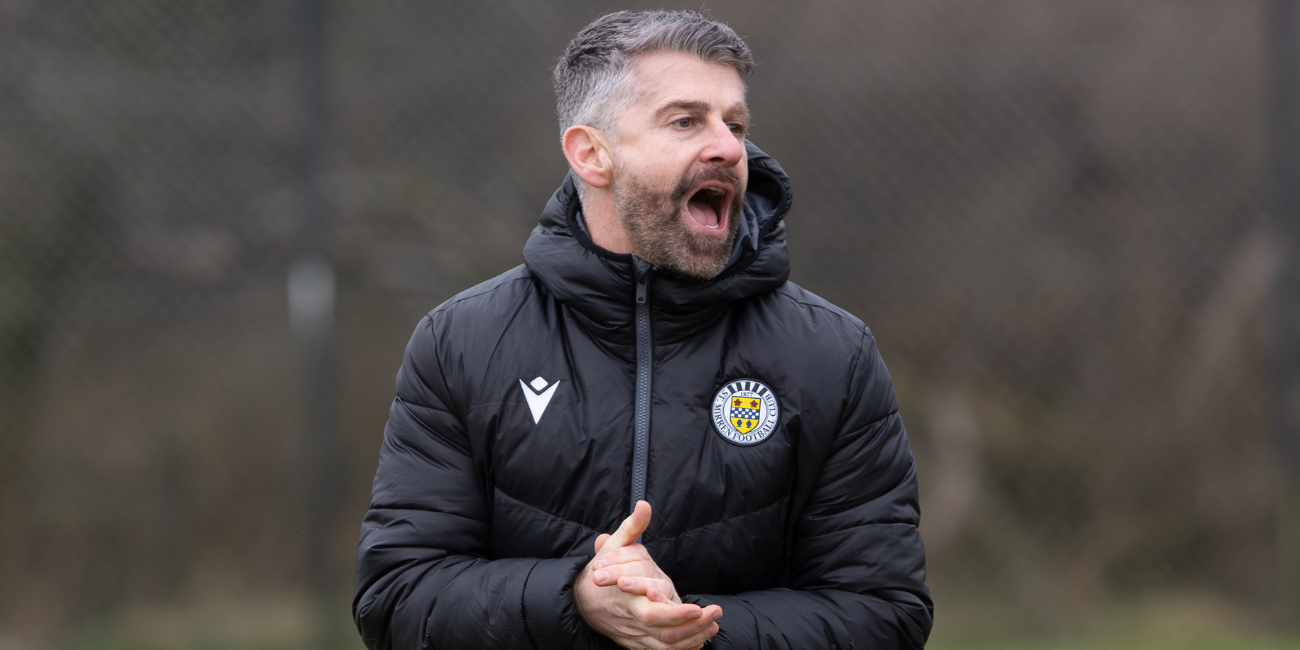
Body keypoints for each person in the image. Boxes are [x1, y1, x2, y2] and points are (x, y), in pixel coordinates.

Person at [353, 10, 932, 650]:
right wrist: (573, 597)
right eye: (686, 121)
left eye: (734, 124)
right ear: (591, 154)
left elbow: (885, 613)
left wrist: (692, 630)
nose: (730, 147)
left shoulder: (834, 355)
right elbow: (398, 598)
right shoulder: (461, 342)